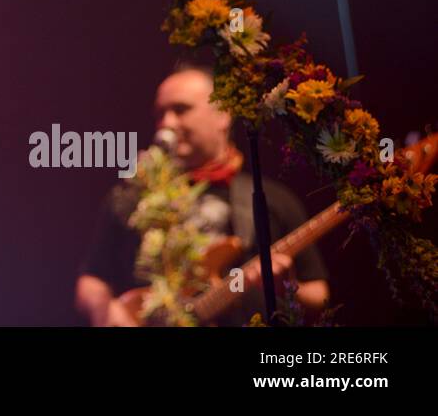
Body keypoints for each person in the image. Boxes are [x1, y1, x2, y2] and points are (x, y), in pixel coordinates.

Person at [74, 62, 329, 326]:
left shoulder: (271, 198)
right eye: (160, 113)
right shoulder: (130, 197)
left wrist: (288, 289)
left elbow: (320, 297)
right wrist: (105, 311)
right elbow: (92, 279)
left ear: (223, 114)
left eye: (181, 109)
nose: (166, 124)